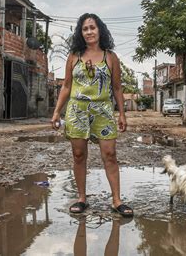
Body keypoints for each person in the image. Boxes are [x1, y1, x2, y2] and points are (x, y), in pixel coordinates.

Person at [51, 13, 133, 217]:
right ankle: (81, 198)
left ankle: (117, 201)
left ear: (100, 30)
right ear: (81, 33)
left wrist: (122, 114)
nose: (89, 31)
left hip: (103, 111)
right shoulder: (74, 56)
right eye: (85, 28)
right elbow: (67, 86)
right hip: (77, 111)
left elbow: (116, 87)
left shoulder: (110, 57)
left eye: (92, 27)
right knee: (78, 155)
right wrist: (56, 112)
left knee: (110, 154)